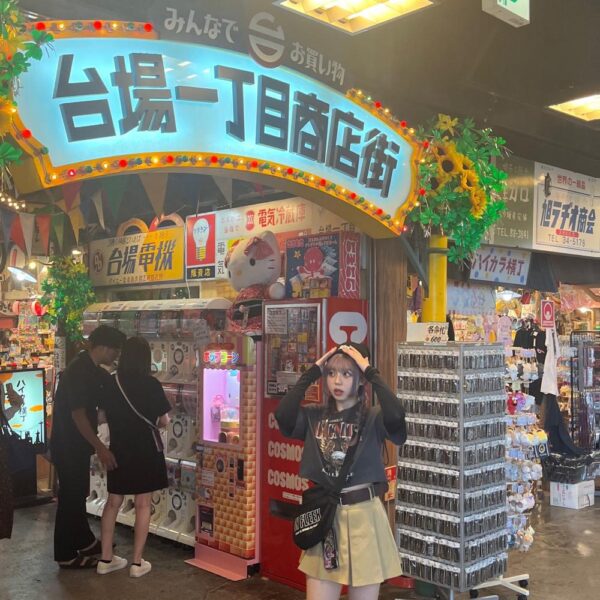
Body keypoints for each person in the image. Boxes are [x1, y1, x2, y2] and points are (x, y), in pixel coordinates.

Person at [275, 343, 406, 600]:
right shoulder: (313, 416)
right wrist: (313, 371)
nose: (337, 381)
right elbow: (283, 414)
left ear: (360, 378)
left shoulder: (373, 417)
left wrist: (371, 372)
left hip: (365, 516)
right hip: (327, 517)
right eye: (331, 373)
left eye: (347, 374)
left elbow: (396, 415)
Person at [51, 325, 126, 569]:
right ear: (102, 347)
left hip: (76, 444)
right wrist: (100, 447)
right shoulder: (78, 371)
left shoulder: (90, 368)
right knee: (70, 497)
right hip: (68, 444)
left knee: (77, 494)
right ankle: (65, 554)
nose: (116, 355)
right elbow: (78, 415)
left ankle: (84, 541)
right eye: (115, 350)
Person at [96, 336, 171, 578]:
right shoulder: (152, 384)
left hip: (118, 449)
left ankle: (105, 559)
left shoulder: (111, 382)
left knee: (112, 502)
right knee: (143, 504)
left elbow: (101, 416)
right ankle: (137, 563)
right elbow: (164, 420)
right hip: (145, 450)